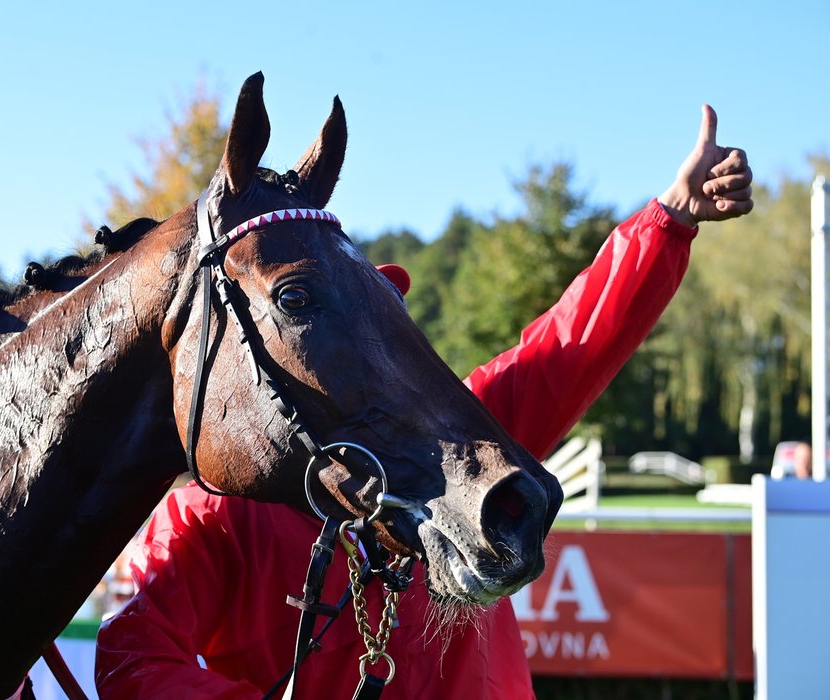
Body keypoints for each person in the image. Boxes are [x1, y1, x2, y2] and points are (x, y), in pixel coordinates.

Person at [95, 106, 753, 699]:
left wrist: (668, 219)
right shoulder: (216, 516)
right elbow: (132, 660)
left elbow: (571, 345)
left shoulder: (466, 444)